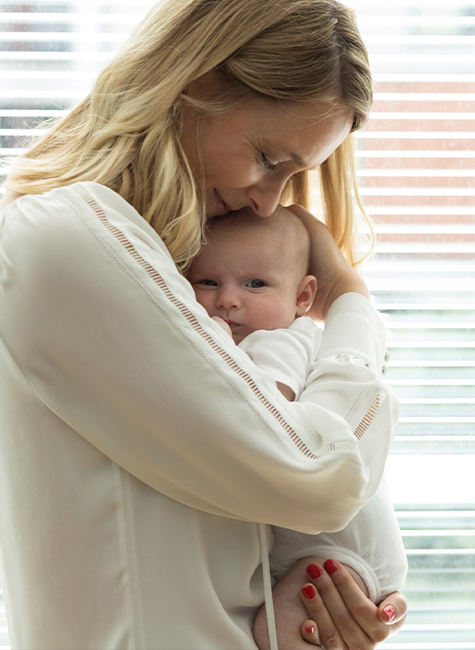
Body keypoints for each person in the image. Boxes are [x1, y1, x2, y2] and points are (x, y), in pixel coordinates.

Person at [0, 0, 407, 648]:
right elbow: (322, 475)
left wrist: (324, 582)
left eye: (294, 175)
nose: (271, 202)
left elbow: (250, 519)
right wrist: (349, 300)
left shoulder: (172, 269)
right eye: (270, 158)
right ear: (196, 85)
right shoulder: (67, 243)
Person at [186, 206, 409, 647]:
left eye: (255, 284)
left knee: (276, 635)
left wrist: (209, 339)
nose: (228, 300)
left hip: (334, 556)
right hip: (326, 550)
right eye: (208, 282)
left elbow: (264, 412)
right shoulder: (297, 336)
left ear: (304, 297)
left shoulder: (279, 340)